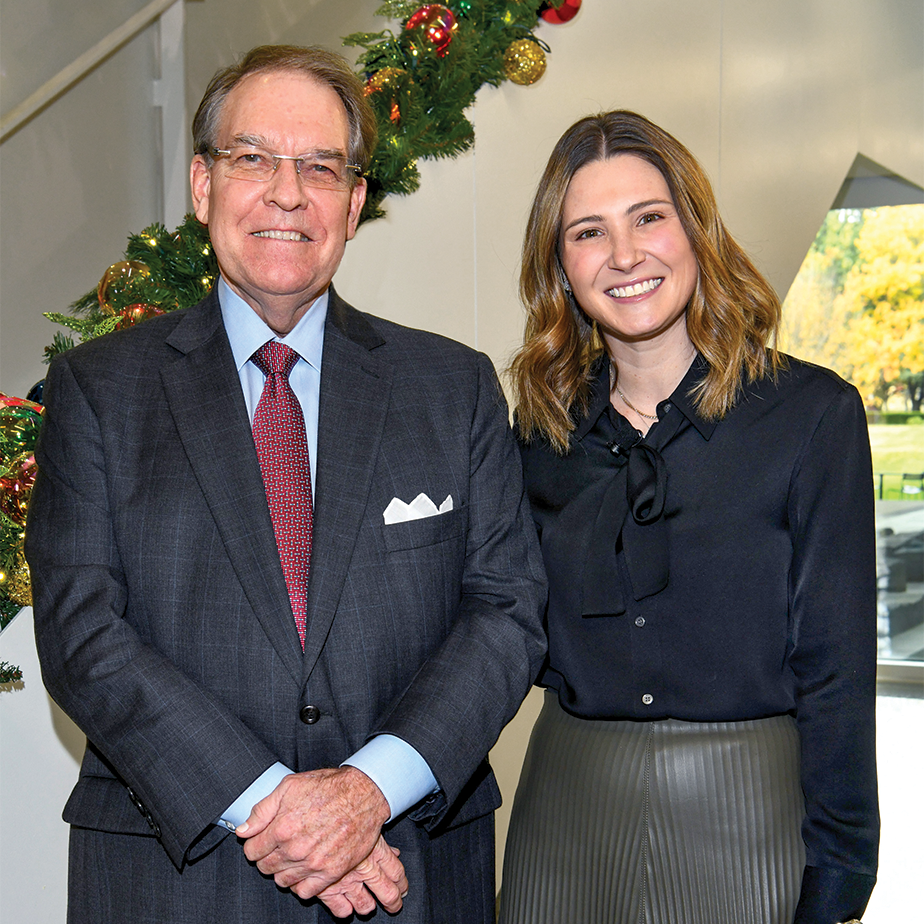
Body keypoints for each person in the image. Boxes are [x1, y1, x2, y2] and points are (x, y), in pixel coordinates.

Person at [26, 44, 546, 924]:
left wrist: (368, 794)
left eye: (320, 166)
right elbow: (83, 634)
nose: (287, 192)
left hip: (407, 865)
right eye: (253, 158)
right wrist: (282, 809)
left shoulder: (449, 385)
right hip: (175, 875)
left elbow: (506, 608)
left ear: (353, 202)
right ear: (202, 186)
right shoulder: (96, 390)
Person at [496, 110, 878, 924]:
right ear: (561, 269)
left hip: (747, 810)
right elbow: (497, 630)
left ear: (696, 231)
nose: (625, 255)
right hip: (565, 808)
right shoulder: (533, 434)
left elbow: (838, 666)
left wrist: (844, 865)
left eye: (648, 218)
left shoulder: (810, 415)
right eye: (588, 233)